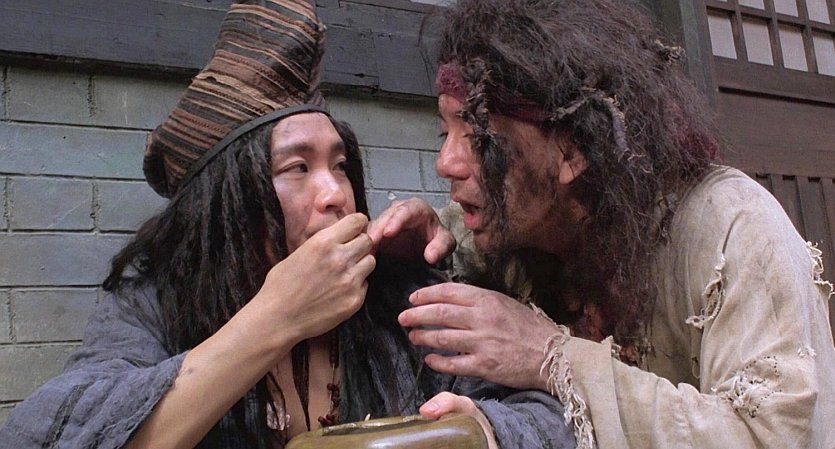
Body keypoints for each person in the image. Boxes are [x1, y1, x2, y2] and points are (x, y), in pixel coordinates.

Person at [0, 1, 574, 448]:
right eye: (297, 168)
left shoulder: (399, 299)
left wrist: (479, 429)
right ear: (229, 200)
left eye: (341, 165)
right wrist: (274, 318)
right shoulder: (158, 303)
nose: (336, 194)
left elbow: (553, 418)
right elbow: (45, 434)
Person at [375, 0, 835, 448]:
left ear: (571, 150)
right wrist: (421, 252)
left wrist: (552, 357)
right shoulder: (514, 232)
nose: (445, 163)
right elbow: (448, 250)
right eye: (445, 133)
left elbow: (774, 436)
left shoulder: (733, 228)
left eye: (477, 137)